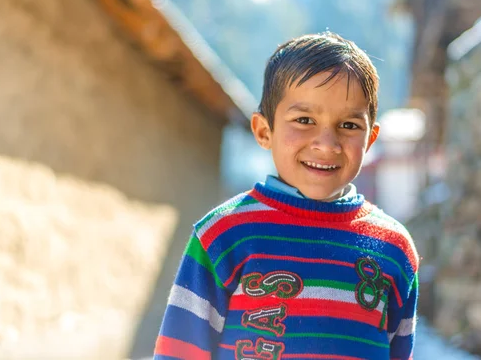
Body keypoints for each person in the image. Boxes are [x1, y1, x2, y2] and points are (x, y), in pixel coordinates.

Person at [154, 32, 419, 360]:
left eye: (349, 125)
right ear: (264, 131)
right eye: (304, 120)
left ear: (371, 138)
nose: (327, 144)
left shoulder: (394, 248)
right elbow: (179, 352)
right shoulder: (223, 236)